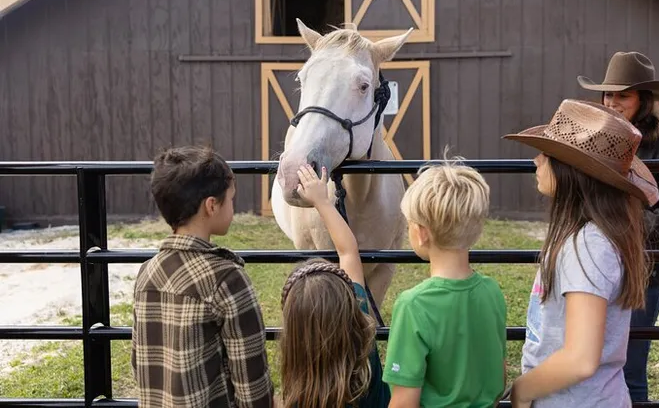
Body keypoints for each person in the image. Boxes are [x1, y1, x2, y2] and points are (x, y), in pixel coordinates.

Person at [503, 99, 659, 408]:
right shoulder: (592, 238)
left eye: (546, 154)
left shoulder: (589, 246)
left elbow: (580, 359)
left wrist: (522, 390)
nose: (536, 161)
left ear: (571, 171)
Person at [578, 51, 659, 402]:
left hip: (642, 278)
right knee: (590, 362)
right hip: (591, 272)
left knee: (630, 372)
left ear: (643, 101)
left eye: (623, 95)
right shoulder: (588, 145)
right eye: (608, 95)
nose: (613, 103)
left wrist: (624, 219)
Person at [131, 146, 275, 408]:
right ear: (211, 205)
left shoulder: (147, 273)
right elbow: (253, 386)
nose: (233, 206)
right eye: (231, 199)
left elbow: (139, 363)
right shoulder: (227, 279)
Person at [381, 158, 507, 407]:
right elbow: (500, 375)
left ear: (421, 233)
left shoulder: (413, 305)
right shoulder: (492, 292)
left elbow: (404, 402)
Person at [278, 164, 391, 408]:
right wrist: (323, 202)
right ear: (350, 309)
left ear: (292, 339)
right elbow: (348, 252)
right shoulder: (364, 351)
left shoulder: (297, 391)